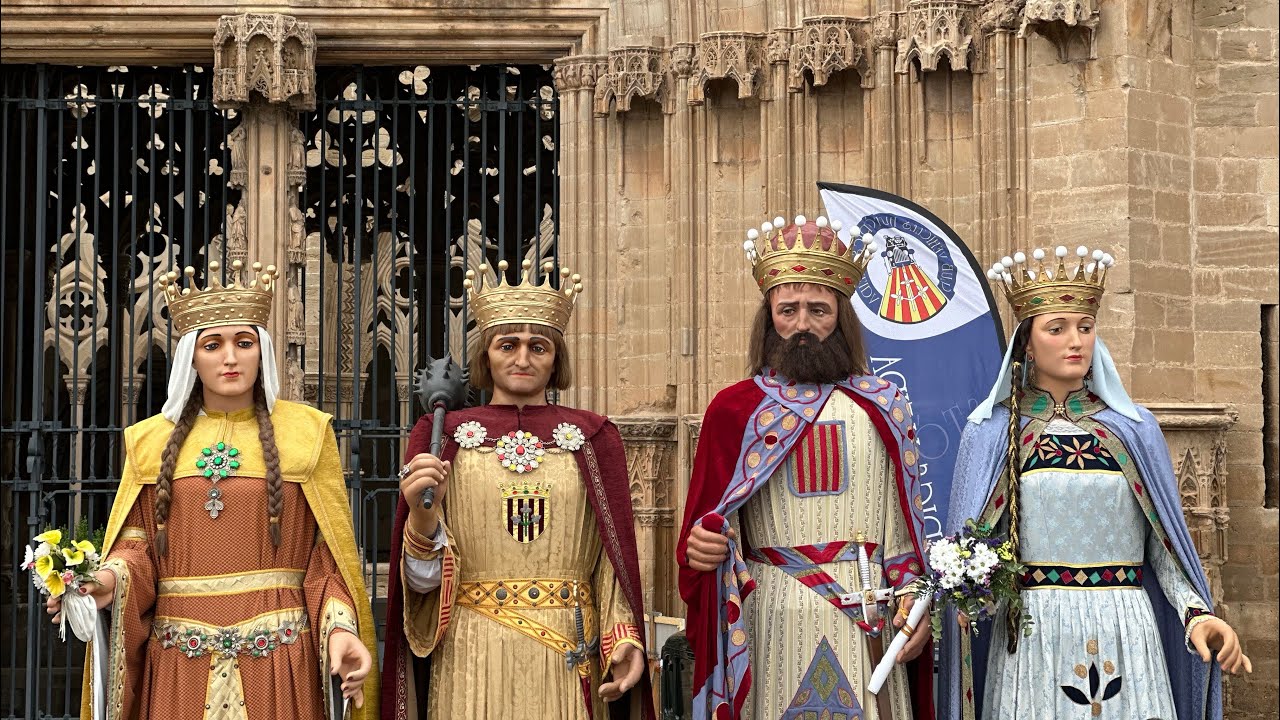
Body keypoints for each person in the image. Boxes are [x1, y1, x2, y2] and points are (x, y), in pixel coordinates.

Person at [48, 260, 378, 719]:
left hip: (280, 664)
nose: (230, 358)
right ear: (191, 357)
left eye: (244, 343)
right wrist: (105, 583)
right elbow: (137, 547)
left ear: (261, 351)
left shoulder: (306, 433)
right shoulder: (149, 441)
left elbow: (326, 555)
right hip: (179, 667)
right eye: (213, 345)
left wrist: (340, 629)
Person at [938, 246, 1252, 720]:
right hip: (1031, 637)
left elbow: (1162, 550)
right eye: (1057, 328)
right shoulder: (990, 433)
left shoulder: (1133, 428)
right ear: (1027, 342)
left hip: (1126, 630)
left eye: (1085, 328)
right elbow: (973, 556)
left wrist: (1196, 614)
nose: (1076, 341)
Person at [677, 215, 934, 720]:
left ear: (841, 316)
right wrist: (700, 545)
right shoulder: (735, 409)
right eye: (787, 309)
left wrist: (913, 606)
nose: (802, 324)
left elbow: (904, 532)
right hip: (771, 616)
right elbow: (706, 527)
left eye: (818, 310)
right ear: (768, 315)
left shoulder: (885, 405)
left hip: (869, 615)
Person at [380, 259, 653, 720]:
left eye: (538, 347)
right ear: (486, 354)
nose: (523, 358)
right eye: (508, 345)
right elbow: (420, 584)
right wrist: (423, 518)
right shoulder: (442, 434)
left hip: (569, 654)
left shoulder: (593, 437)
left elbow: (613, 560)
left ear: (556, 358)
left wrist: (623, 638)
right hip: (470, 654)